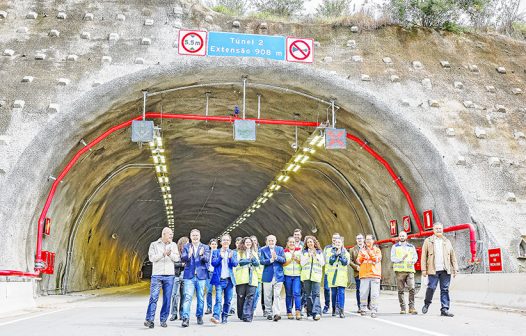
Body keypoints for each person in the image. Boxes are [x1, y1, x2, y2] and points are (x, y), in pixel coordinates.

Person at [144, 227, 180, 329]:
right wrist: (163, 254)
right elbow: (152, 258)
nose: (171, 236)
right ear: (164, 234)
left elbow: (177, 258)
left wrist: (170, 254)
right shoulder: (154, 245)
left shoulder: (173, 245)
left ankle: (163, 320)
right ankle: (149, 319)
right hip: (157, 275)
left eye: (172, 235)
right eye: (170, 235)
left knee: (167, 299)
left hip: (169, 275)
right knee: (153, 297)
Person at [421, 222, 459, 317]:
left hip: (445, 270)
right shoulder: (428, 241)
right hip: (433, 269)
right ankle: (427, 303)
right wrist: (423, 270)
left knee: (445, 289)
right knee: (431, 287)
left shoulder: (447, 241)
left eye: (440, 228)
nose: (439, 230)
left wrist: (455, 269)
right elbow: (423, 257)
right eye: (437, 228)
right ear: (433, 230)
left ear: (442, 229)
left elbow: (452, 256)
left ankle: (444, 309)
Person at [180, 229, 211, 327]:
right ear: (190, 236)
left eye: (197, 235)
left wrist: (201, 255)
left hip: (201, 276)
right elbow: (183, 258)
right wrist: (188, 254)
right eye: (193, 235)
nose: (195, 237)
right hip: (189, 276)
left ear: (200, 236)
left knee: (201, 298)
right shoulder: (186, 246)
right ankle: (185, 318)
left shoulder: (205, 247)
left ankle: (199, 316)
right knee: (187, 297)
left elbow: (207, 260)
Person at [210, 234, 238, 324]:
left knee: (228, 300)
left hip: (229, 280)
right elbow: (213, 263)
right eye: (224, 240)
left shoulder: (233, 252)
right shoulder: (216, 252)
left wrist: (230, 258)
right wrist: (220, 257)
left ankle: (225, 316)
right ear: (221, 242)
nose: (225, 242)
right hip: (219, 279)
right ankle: (216, 316)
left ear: (230, 242)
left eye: (227, 240)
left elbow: (235, 264)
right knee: (218, 299)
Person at [390, 231, 418, 315]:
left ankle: (411, 307)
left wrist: (412, 261)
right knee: (401, 290)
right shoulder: (395, 246)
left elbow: (415, 257)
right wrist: (401, 259)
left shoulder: (411, 246)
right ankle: (403, 308)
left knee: (412, 288)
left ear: (406, 237)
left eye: (403, 236)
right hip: (400, 271)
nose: (402, 237)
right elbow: (392, 258)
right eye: (400, 236)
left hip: (410, 270)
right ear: (399, 237)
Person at [260, 235, 286, 321]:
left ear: (275, 241)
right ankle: (268, 312)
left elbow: (284, 260)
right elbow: (262, 261)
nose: (271, 242)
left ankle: (277, 313)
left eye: (272, 240)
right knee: (267, 295)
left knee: (277, 295)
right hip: (267, 276)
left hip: (278, 276)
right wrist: (271, 260)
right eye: (269, 240)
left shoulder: (280, 249)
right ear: (267, 241)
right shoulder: (263, 250)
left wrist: (277, 257)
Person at [234, 237, 260, 322]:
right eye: (246, 242)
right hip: (241, 279)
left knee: (250, 297)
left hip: (252, 278)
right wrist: (249, 260)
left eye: (250, 242)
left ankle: (247, 316)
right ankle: (241, 314)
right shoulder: (239, 253)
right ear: (243, 243)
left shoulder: (254, 252)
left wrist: (254, 261)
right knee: (241, 297)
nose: (248, 243)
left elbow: (257, 263)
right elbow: (239, 262)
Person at [357, 234, 382, 318]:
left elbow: (377, 259)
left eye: (369, 239)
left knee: (374, 294)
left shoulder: (377, 250)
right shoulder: (361, 250)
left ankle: (374, 310)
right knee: (363, 293)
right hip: (364, 275)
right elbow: (358, 261)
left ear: (373, 240)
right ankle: (363, 309)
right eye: (366, 240)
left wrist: (369, 252)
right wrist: (364, 255)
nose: (367, 241)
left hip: (375, 275)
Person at [300, 236, 325, 321]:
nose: (310, 243)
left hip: (316, 276)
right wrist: (308, 257)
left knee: (316, 294)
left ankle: (317, 312)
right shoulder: (304, 252)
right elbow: (302, 263)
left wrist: (316, 256)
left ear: (314, 243)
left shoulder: (319, 252)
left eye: (311, 242)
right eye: (308, 242)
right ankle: (310, 312)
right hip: (307, 276)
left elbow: (322, 263)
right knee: (308, 295)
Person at [325, 236, 350, 318]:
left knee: (341, 293)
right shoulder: (329, 251)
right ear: (334, 244)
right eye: (336, 242)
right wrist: (335, 255)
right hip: (333, 276)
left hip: (342, 277)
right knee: (334, 293)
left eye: (339, 242)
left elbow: (345, 262)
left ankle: (341, 310)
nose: (338, 244)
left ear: (342, 243)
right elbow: (330, 261)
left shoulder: (345, 252)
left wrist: (341, 255)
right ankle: (334, 309)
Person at [348, 233, 370, 313]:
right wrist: (356, 267)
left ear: (363, 239)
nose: (359, 240)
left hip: (368, 272)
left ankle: (368, 304)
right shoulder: (352, 249)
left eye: (361, 238)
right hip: (358, 273)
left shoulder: (368, 248)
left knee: (368, 289)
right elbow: (350, 261)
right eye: (358, 238)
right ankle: (360, 306)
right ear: (356, 240)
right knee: (359, 290)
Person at [169, 236, 188, 321]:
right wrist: (181, 264)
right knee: (174, 295)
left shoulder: (188, 252)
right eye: (186, 243)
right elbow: (171, 263)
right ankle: (174, 314)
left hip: (185, 276)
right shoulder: (175, 253)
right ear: (181, 244)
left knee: (184, 295)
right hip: (176, 275)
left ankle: (182, 313)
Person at [283, 236, 302, 320]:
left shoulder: (300, 251)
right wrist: (290, 260)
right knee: (289, 294)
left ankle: (298, 311)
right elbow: (282, 264)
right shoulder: (284, 252)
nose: (292, 243)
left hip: (297, 275)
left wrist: (296, 259)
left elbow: (303, 263)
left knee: (297, 293)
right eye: (290, 242)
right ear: (287, 243)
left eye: (293, 242)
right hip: (287, 275)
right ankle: (289, 312)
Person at [322, 233, 340, 314]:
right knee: (326, 289)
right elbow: (324, 259)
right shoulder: (327, 248)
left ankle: (335, 306)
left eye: (336, 238)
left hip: (336, 273)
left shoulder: (341, 248)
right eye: (333, 238)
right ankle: (327, 305)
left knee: (335, 291)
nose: (335, 239)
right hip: (328, 272)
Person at [250, 235, 264, 314]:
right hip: (251, 275)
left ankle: (253, 308)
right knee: (251, 293)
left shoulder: (261, 251)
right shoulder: (248, 252)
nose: (253, 242)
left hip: (260, 275)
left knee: (257, 293)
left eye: (255, 240)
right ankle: (250, 308)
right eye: (252, 240)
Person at [205, 239, 218, 315]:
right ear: (210, 245)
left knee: (218, 291)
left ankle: (217, 308)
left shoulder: (219, 253)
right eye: (212, 244)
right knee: (209, 291)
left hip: (216, 274)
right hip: (209, 273)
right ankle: (209, 308)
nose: (214, 245)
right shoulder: (207, 253)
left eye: (215, 244)